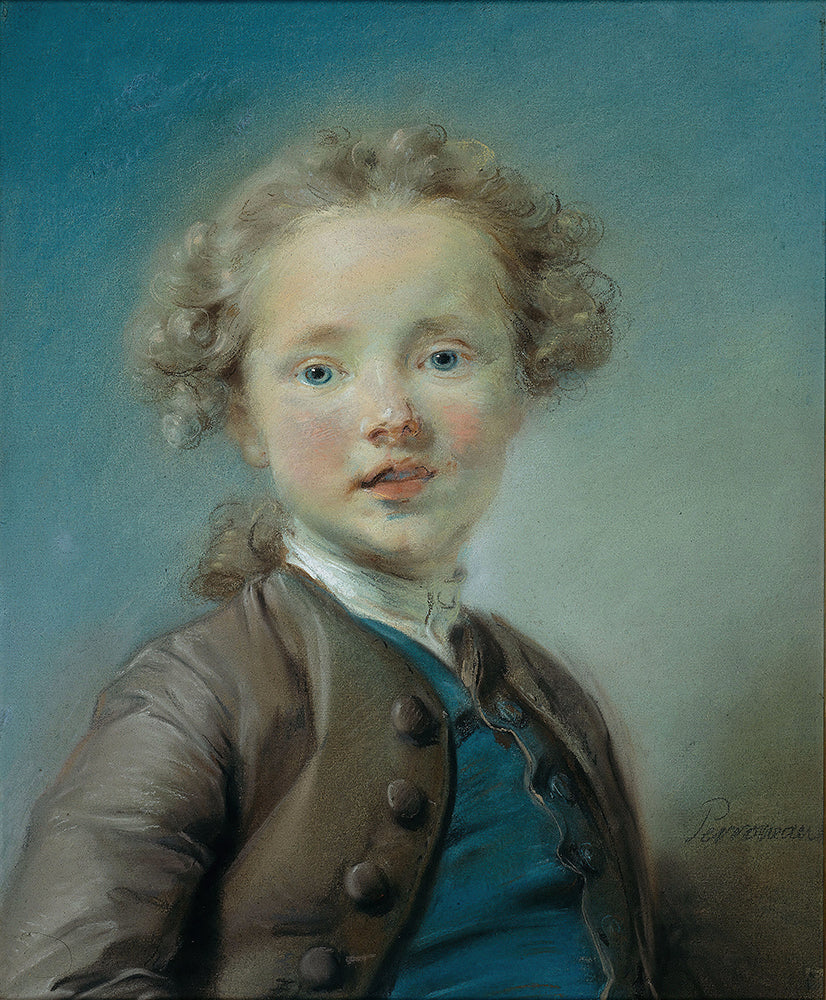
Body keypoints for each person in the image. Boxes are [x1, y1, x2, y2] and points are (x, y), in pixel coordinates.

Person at [0, 125, 659, 999]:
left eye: (444, 358)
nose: (393, 414)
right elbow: (58, 979)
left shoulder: (549, 696)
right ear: (244, 418)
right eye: (320, 372)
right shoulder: (196, 694)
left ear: (522, 389)